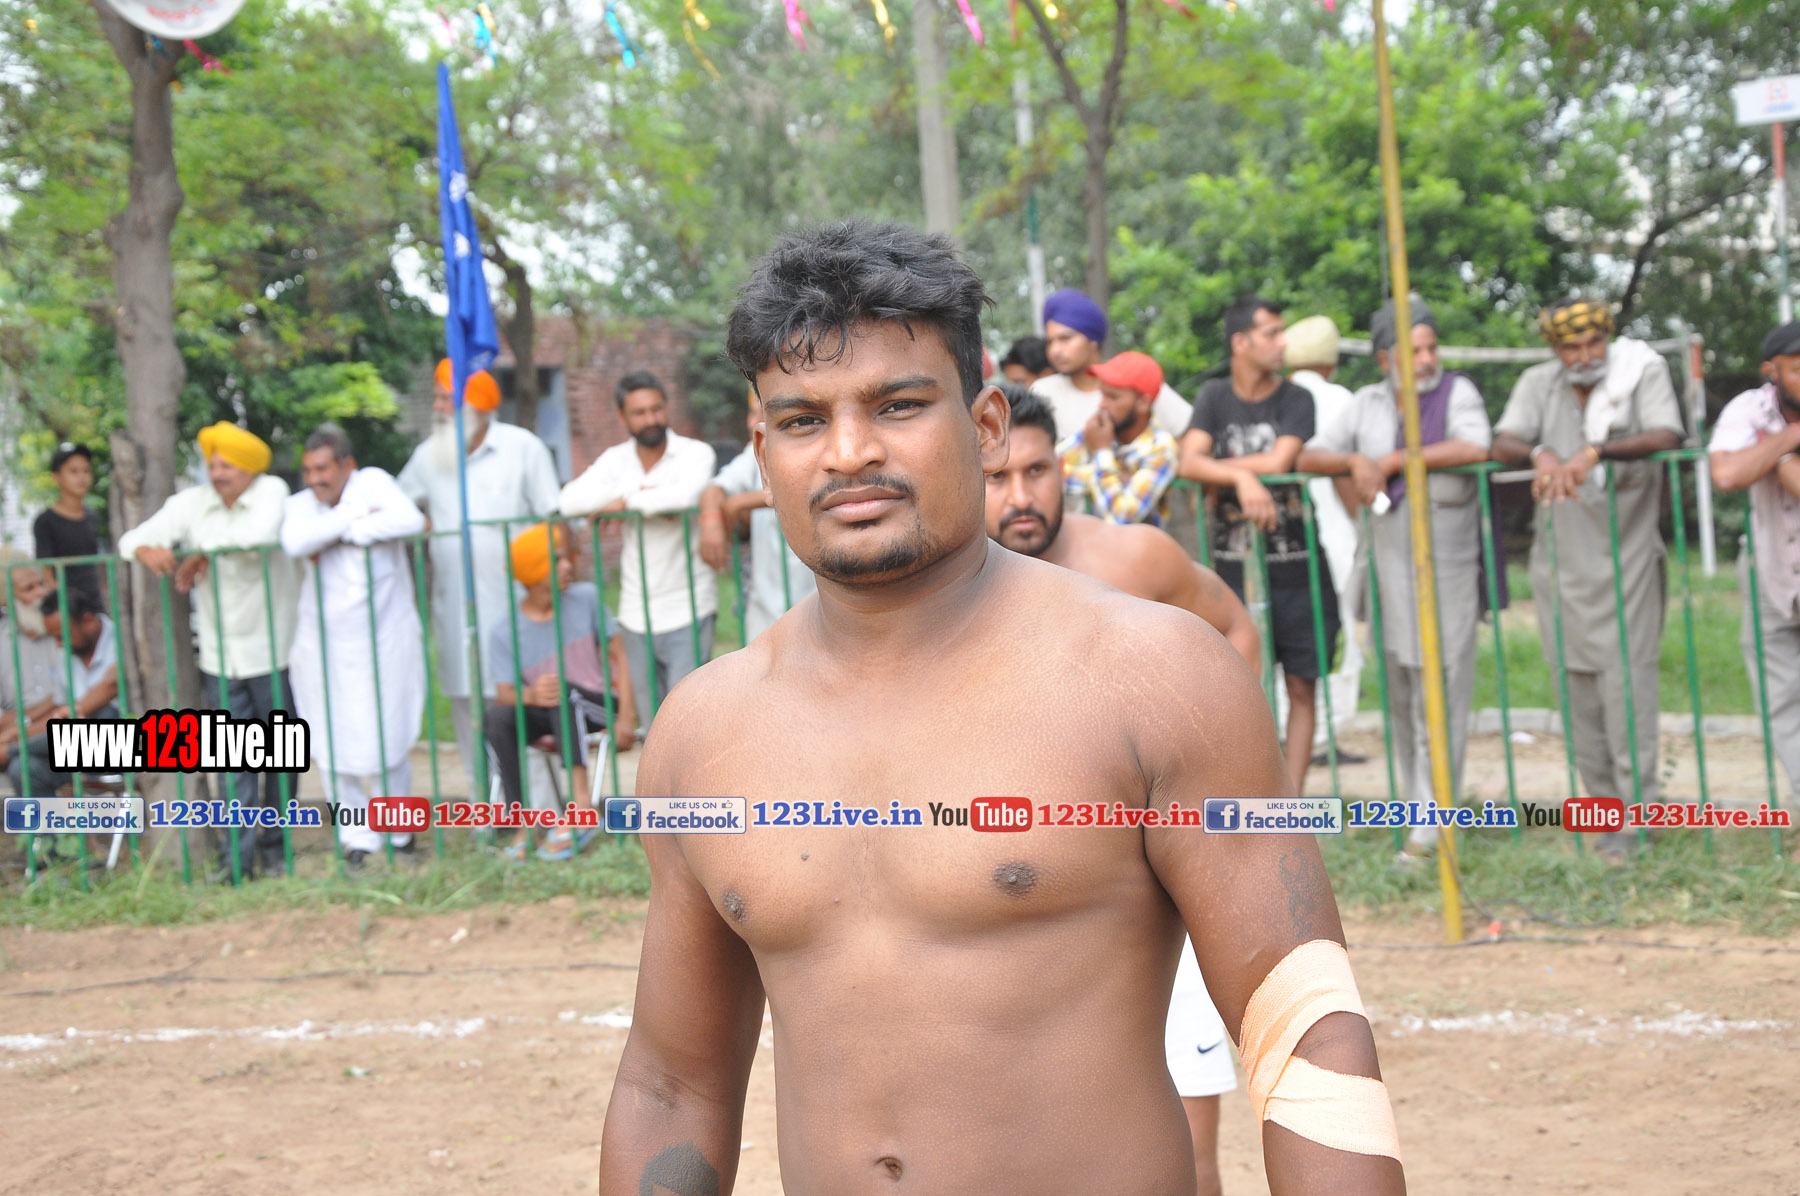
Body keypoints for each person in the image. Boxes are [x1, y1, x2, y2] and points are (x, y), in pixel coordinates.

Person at [598, 221, 1403, 1196]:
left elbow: (1309, 1036)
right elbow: (672, 1084)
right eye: (804, 420)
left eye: (897, 405)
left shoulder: (1153, 675)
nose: (850, 452)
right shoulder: (703, 735)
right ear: (763, 453)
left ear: (984, 425)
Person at [985, 382, 1257, 1196]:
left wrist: (1223, 777)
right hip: (1021, 903)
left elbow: (1233, 628)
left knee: (1187, 1157)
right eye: (998, 478)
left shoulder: (1133, 560)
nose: (1021, 496)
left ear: (1063, 469)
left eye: (1037, 471)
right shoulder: (936, 596)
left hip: (1160, 884)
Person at [1299, 297, 1493, 861]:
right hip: (1387, 576)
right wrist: (1354, 462)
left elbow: (1474, 445)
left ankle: (1437, 821)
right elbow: (1310, 457)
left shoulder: (1458, 393)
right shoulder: (1367, 402)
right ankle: (1418, 809)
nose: (1427, 359)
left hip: (1446, 576)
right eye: (1414, 351)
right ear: (1386, 359)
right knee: (1402, 700)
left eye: (1431, 348)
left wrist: (1392, 461)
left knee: (1442, 697)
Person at [1492, 297, 1683, 858]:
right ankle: (1606, 815)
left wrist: (1596, 451)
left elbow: (1666, 435)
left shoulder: (1640, 373)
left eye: (1593, 342)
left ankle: (1639, 819)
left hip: (1628, 564)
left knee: (1627, 693)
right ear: (1555, 350)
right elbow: (1502, 442)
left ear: (1608, 339)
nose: (1584, 356)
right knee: (1575, 695)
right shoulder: (1539, 383)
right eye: (1571, 347)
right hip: (1560, 566)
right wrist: (1543, 453)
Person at [118, 422, 299, 880]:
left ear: (250, 469)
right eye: (213, 465)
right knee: (234, 762)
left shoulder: (272, 491)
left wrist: (201, 552)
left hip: (273, 651)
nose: (218, 474)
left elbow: (258, 533)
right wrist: (146, 550)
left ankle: (275, 851)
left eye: (227, 466)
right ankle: (236, 861)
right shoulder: (193, 502)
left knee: (281, 760)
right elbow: (130, 539)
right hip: (221, 657)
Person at [1179, 296, 1338, 797]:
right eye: (1271, 333)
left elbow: (1281, 460)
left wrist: (1223, 472)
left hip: (1297, 566)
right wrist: (1242, 480)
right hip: (1233, 571)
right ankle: (1252, 798)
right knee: (1241, 689)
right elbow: (1187, 461)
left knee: (1302, 686)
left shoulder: (1296, 398)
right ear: (1240, 343)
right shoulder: (1214, 396)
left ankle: (1290, 806)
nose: (1282, 343)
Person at [398, 359, 562, 797]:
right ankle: (487, 813)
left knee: (524, 711)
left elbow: (554, 521)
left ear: (474, 407)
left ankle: (542, 813)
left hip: (518, 614)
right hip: (456, 614)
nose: (436, 407)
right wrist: (418, 520)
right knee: (468, 715)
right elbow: (397, 503)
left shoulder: (522, 448)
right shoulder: (428, 455)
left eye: (444, 398)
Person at [281, 424, 428, 869]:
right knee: (332, 745)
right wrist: (353, 517)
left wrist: (341, 530)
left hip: (384, 640)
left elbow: (410, 521)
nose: (315, 479)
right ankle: (356, 839)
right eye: (308, 470)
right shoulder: (300, 504)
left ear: (348, 465)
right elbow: (296, 541)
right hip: (324, 648)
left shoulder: (375, 483)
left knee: (389, 739)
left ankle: (399, 834)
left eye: (323, 469)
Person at [558, 371, 717, 726]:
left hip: (689, 605)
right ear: (622, 417)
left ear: (667, 407)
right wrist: (640, 495)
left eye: (656, 409)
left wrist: (625, 502)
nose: (650, 420)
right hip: (635, 611)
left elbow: (685, 496)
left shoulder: (694, 453)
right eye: (639, 413)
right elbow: (569, 501)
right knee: (653, 725)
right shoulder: (616, 460)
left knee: (690, 723)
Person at [484, 523, 637, 860]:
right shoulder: (504, 632)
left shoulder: (586, 598)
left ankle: (581, 807)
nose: (568, 565)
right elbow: (504, 693)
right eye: (556, 560)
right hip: (555, 711)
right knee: (497, 717)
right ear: (534, 572)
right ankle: (523, 821)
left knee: (562, 691)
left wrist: (626, 717)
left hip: (599, 705)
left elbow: (621, 655)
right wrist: (529, 696)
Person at [1707, 319, 1800, 822]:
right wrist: (1789, 439)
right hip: (1771, 570)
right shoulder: (1749, 409)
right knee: (1781, 701)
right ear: (1772, 371)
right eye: (1798, 369)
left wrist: (1772, 455)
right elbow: (1726, 473)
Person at [1284, 316, 1364, 760]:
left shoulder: (1281, 397)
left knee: (1290, 643)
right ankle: (1324, 738)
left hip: (1289, 544)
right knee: (1337, 636)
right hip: (1337, 536)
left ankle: (1287, 733)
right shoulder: (1340, 399)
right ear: (1330, 363)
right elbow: (1344, 472)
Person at [699, 388, 818, 643]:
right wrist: (711, 522)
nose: (753, 422)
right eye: (751, 414)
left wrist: (741, 502)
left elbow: (805, 489)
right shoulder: (754, 451)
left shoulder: (808, 445)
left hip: (812, 597)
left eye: (761, 413)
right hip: (765, 604)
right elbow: (715, 488)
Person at [5, 587, 119, 800]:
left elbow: (110, 686)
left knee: (102, 715)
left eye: (62, 636)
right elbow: (60, 712)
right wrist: (20, 732)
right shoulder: (67, 651)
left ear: (88, 620)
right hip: (75, 748)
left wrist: (14, 743)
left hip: (120, 746)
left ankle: (13, 749)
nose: (58, 644)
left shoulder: (120, 642)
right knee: (23, 767)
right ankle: (49, 825)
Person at [1058, 351, 1182, 527]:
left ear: (1143, 403)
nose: (1102, 404)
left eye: (1113, 397)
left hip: (1139, 544)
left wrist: (1101, 452)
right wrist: (1111, 476)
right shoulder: (1100, 431)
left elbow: (1122, 517)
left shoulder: (1161, 447)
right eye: (1102, 394)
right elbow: (1051, 471)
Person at [0, 560, 64, 794]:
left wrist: (19, 726)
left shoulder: (65, 628)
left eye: (41, 584)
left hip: (63, 733)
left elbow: (74, 700)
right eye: (29, 588)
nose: (41, 593)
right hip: (17, 739)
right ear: (9, 599)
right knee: (22, 768)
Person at [33, 442, 106, 610]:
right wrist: (67, 609)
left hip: (96, 605)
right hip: (67, 610)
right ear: (57, 477)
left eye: (86, 470)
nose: (82, 477)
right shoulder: (45, 521)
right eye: (73, 471)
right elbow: (47, 575)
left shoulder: (92, 517)